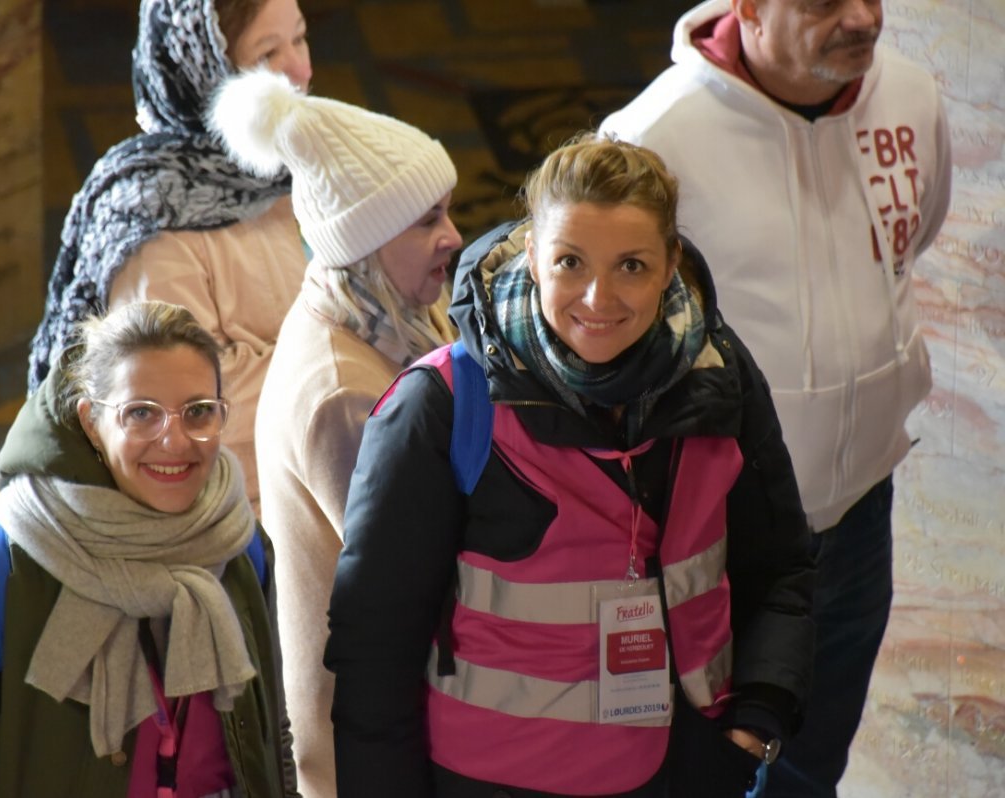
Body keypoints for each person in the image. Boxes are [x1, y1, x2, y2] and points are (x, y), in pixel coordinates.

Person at [324, 135, 815, 797]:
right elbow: (372, 652)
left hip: (680, 771)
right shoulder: (442, 405)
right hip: (490, 782)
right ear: (532, 254)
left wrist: (758, 717)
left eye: (632, 266)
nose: (598, 298)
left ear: (672, 263)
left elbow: (781, 569)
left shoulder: (719, 379)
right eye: (570, 262)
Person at [598, 2, 952, 794]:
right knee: (698, 762)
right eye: (824, 2)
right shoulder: (658, 137)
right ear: (749, 8)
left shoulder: (913, 98)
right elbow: (600, 340)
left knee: (810, 759)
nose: (861, 17)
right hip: (720, 528)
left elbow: (912, 240)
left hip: (860, 508)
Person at [0, 301, 295, 797]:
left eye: (198, 412)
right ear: (90, 422)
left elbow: (269, 743)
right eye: (141, 414)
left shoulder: (240, 550)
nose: (175, 441)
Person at [209, 67, 462, 798]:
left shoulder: (388, 316)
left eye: (446, 211)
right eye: (426, 222)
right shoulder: (344, 393)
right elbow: (420, 576)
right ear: (368, 241)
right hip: (368, 743)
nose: (453, 237)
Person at [28, 0, 314, 516]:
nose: (301, 69)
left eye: (300, 38)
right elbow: (183, 414)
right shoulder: (156, 221)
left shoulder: (297, 168)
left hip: (307, 486)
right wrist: (352, 351)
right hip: (220, 524)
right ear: (205, 73)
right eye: (269, 53)